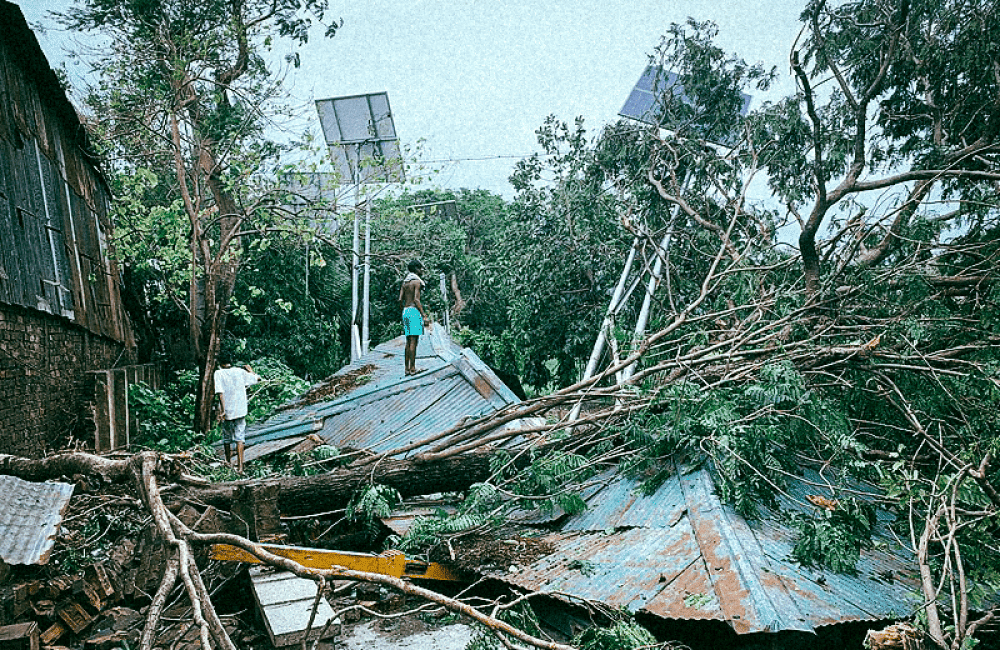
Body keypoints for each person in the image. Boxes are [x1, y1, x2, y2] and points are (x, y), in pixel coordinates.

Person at [213, 352, 260, 474]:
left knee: (227, 438)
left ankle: (228, 463)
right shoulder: (240, 372)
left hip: (227, 411)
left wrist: (223, 410)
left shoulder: (218, 373)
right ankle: (240, 468)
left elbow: (220, 392)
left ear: (220, 363)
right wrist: (251, 371)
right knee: (240, 438)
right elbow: (257, 379)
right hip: (240, 409)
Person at [399, 259, 429, 376]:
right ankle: (413, 369)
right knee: (414, 341)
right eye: (421, 268)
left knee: (408, 341)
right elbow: (416, 299)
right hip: (413, 311)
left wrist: (404, 310)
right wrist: (423, 315)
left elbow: (400, 299)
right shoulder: (416, 282)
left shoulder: (405, 283)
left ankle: (406, 369)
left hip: (405, 311)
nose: (422, 270)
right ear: (416, 269)